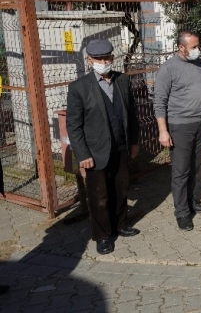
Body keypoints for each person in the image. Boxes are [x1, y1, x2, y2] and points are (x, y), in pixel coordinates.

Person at [66, 39, 141, 255]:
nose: (103, 61)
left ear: (112, 57)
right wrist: (83, 154)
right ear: (90, 61)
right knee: (99, 196)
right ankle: (102, 236)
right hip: (95, 152)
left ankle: (121, 224)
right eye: (98, 58)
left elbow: (132, 115)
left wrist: (134, 141)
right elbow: (74, 125)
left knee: (121, 188)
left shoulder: (122, 81)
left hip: (121, 146)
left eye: (107, 57)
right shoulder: (79, 88)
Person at [154, 30, 201, 231]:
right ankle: (181, 212)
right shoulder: (168, 69)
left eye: (197, 46)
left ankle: (192, 202)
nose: (197, 50)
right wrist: (163, 131)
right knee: (181, 171)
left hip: (200, 123)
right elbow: (159, 102)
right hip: (179, 126)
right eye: (193, 47)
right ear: (181, 47)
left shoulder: (199, 65)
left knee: (195, 166)